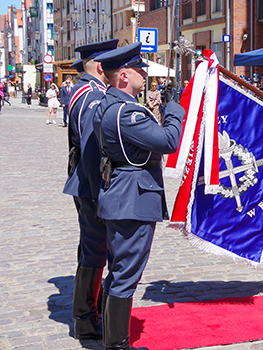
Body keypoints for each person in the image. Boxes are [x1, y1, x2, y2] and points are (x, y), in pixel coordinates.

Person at [92, 42, 184, 350]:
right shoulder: (126, 112)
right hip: (132, 200)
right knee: (126, 274)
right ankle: (117, 345)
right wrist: (174, 108)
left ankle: (110, 335)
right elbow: (168, 141)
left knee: (118, 269)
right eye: (139, 70)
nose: (145, 75)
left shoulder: (106, 105)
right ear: (123, 76)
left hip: (119, 196)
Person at [62, 38, 119, 341]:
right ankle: (86, 318)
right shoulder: (93, 96)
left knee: (91, 248)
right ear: (101, 67)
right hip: (91, 185)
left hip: (84, 182)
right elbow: (92, 149)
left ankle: (88, 312)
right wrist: (102, 195)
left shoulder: (83, 91)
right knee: (95, 251)